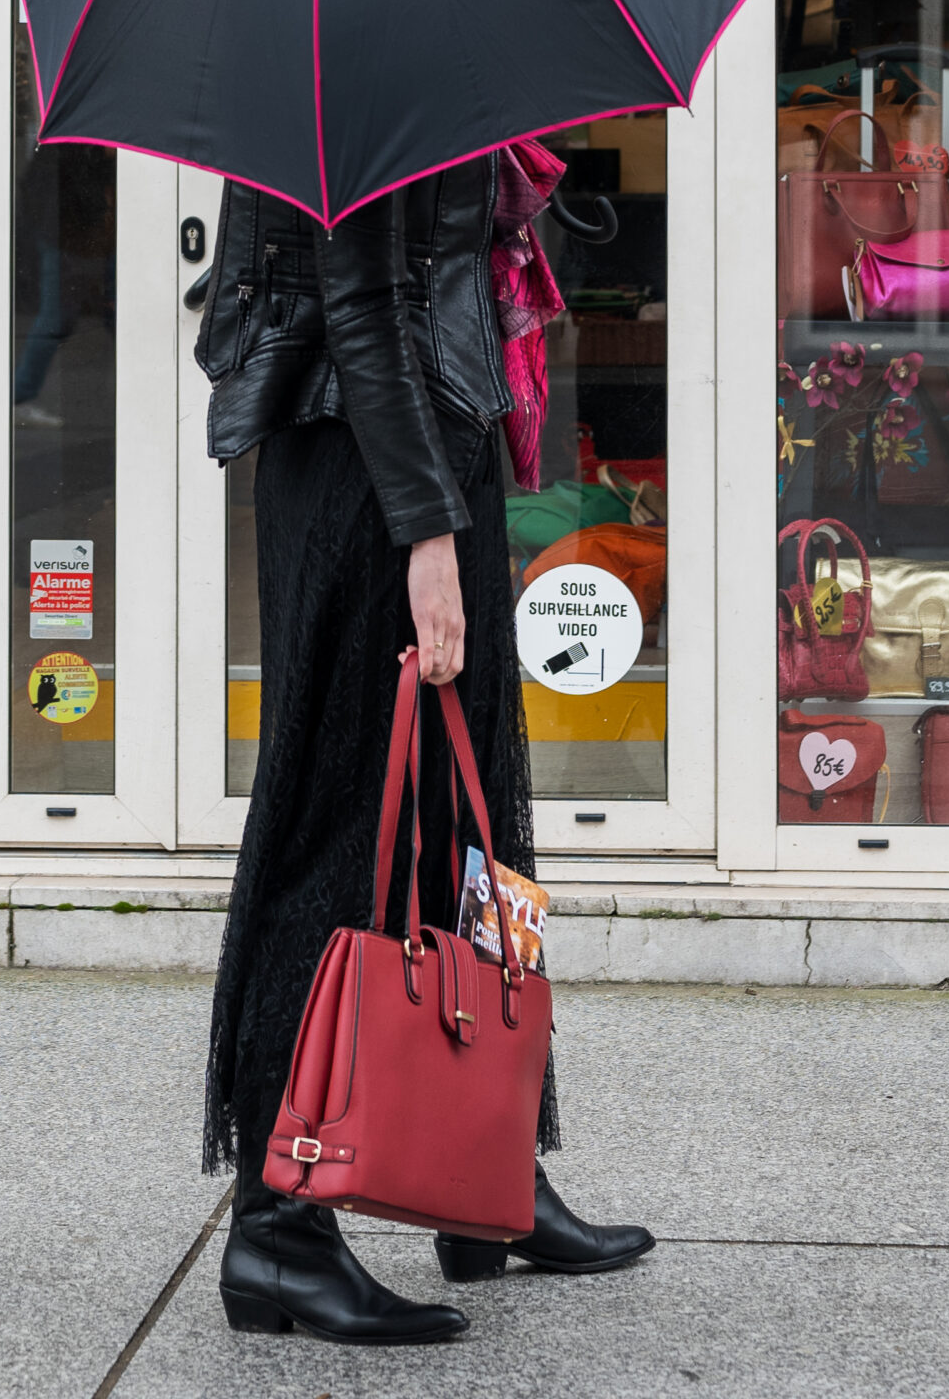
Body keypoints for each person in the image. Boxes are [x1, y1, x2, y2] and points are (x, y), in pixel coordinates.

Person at [197, 153, 653, 1346]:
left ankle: (484, 1183)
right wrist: (426, 533)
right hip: (371, 479)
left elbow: (436, 280)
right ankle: (278, 1230)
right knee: (339, 837)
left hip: (431, 455)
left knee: (471, 820)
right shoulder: (357, 50)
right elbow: (355, 303)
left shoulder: (434, 51)